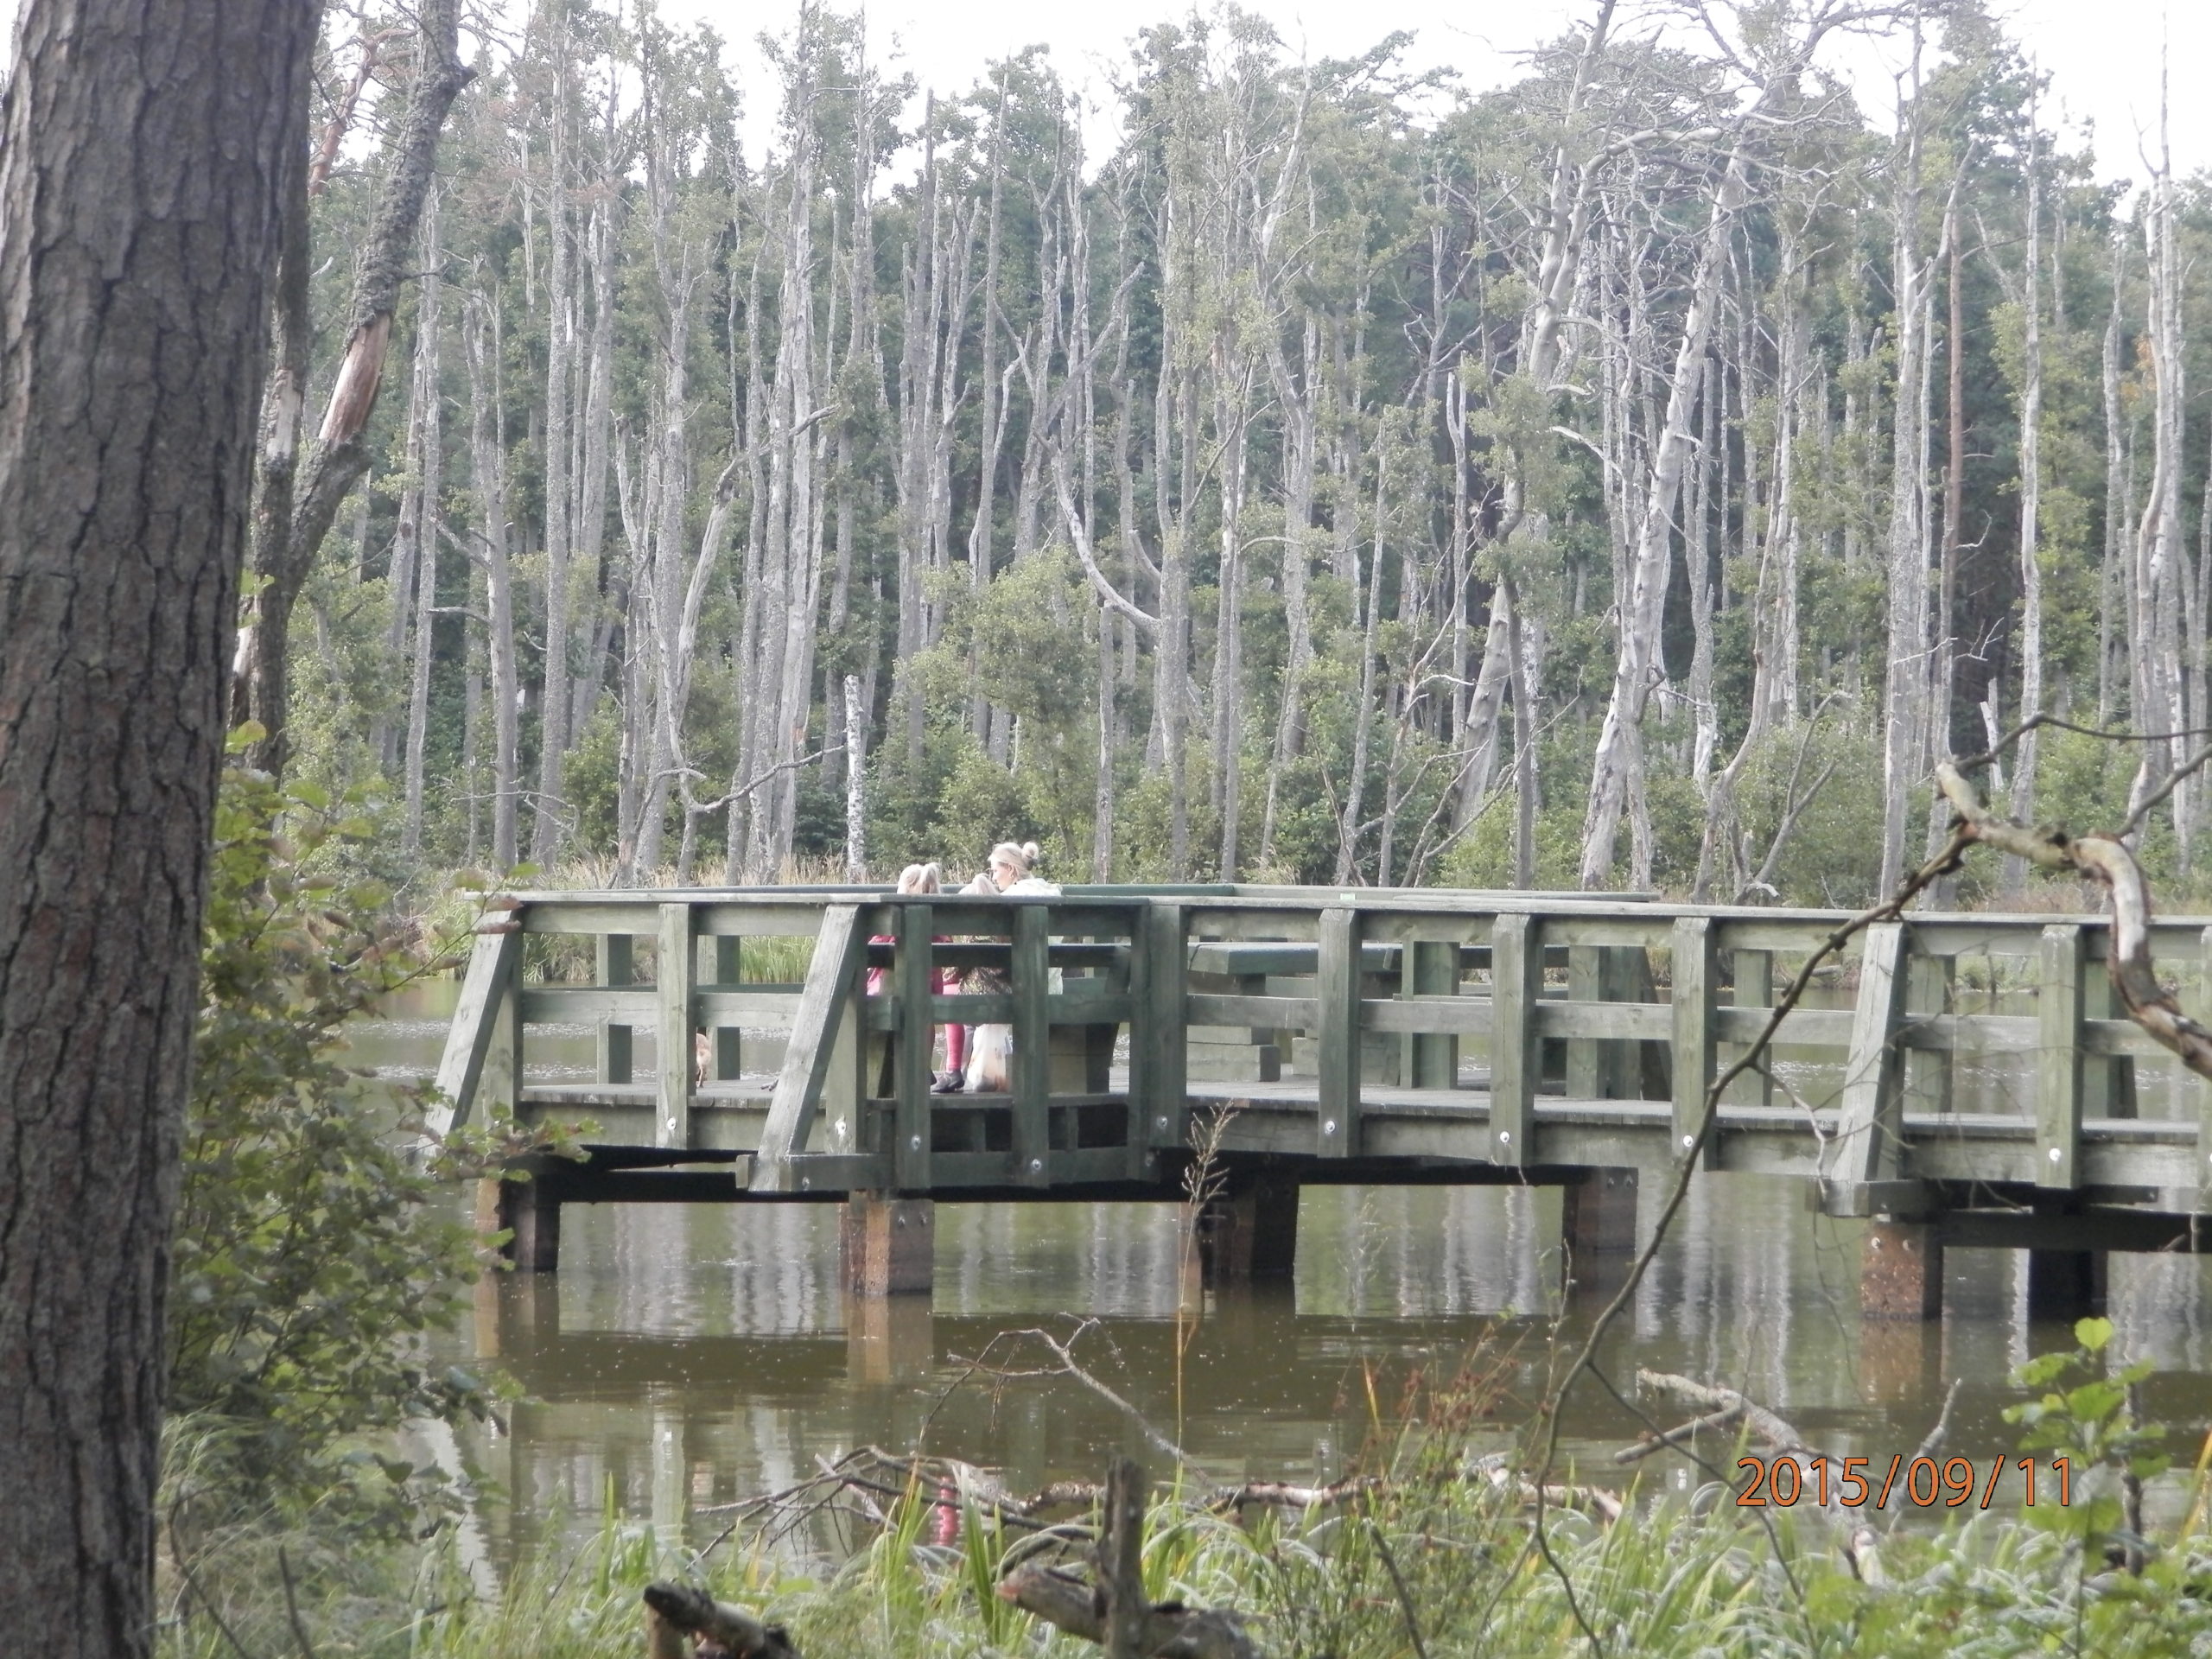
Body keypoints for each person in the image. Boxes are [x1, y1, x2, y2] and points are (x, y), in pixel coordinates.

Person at [863, 862, 967, 1092]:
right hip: (929, 986)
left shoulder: (897, 916)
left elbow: (875, 947)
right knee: (926, 1021)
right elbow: (947, 945)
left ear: (905, 888)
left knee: (878, 1007)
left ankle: (890, 1071)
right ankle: (923, 1066)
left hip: (896, 988)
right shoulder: (938, 919)